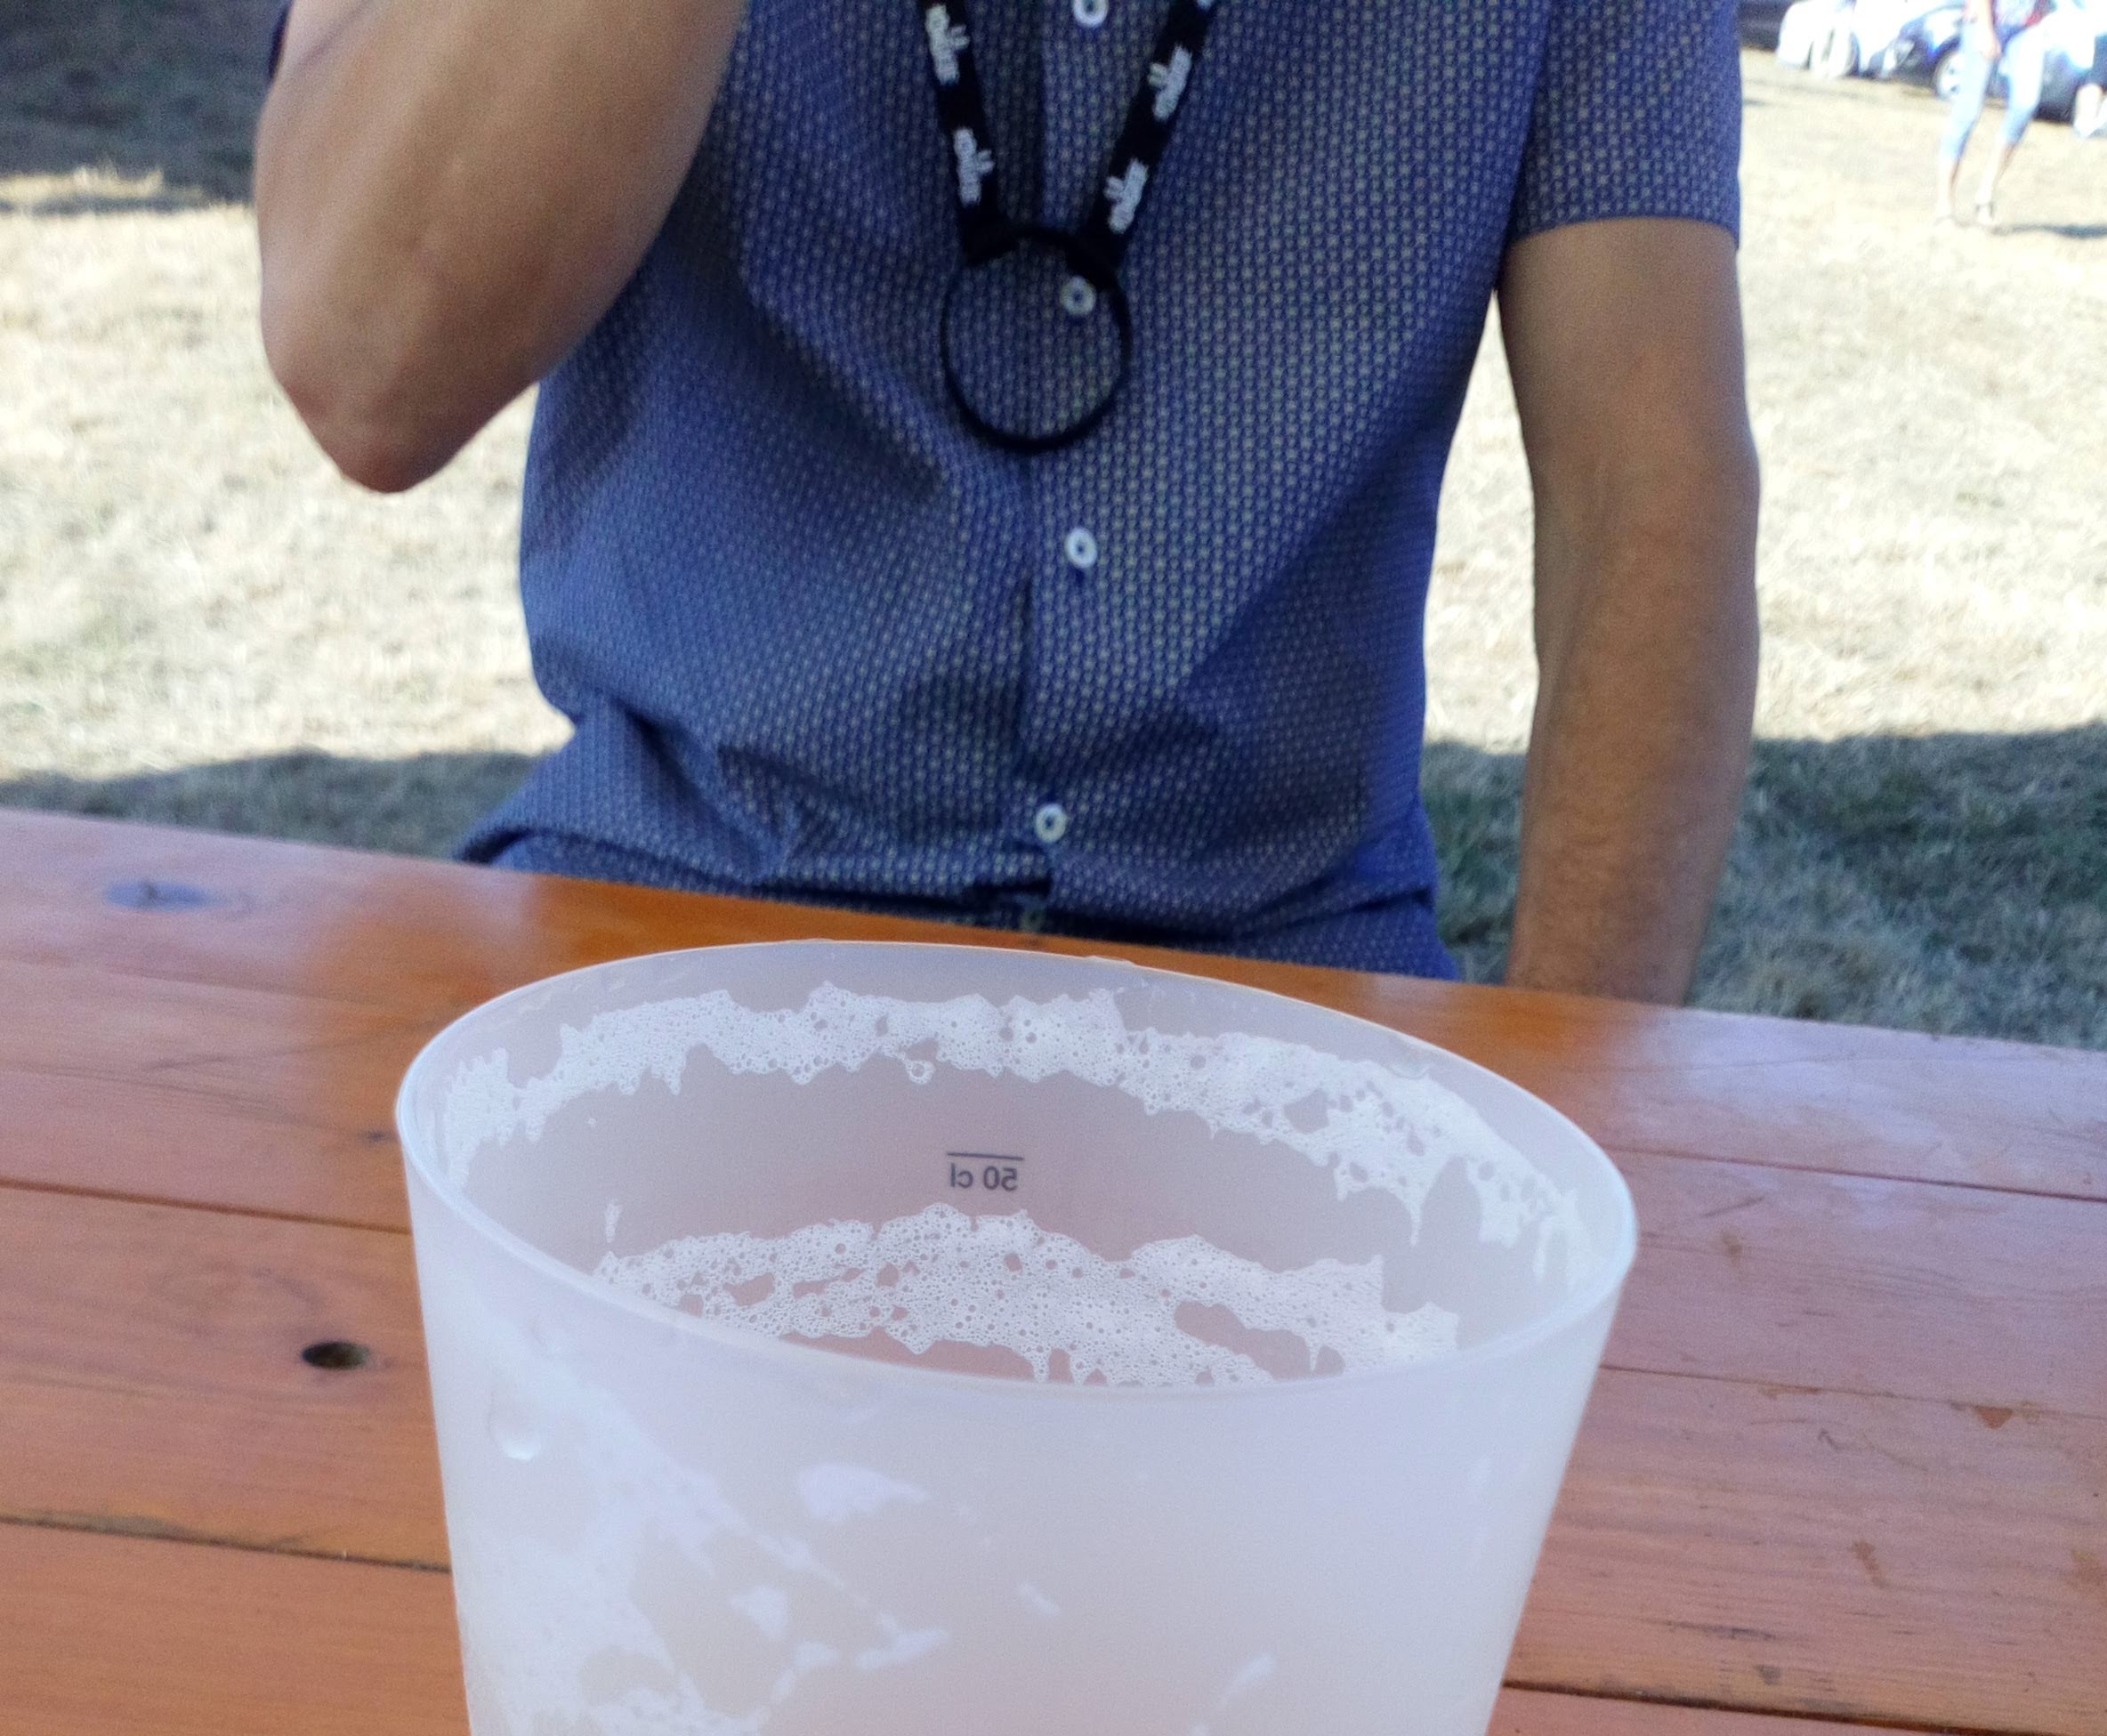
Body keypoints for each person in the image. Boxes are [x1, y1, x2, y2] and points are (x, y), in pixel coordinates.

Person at [255, 2, 1759, 1002]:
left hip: (1287, 983)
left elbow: (1649, 489)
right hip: (663, 915)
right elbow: (369, 367)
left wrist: (1564, 1147)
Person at [1938, 0, 2053, 224]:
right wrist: (1985, 29)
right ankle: (1944, 206)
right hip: (1986, 18)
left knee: (2025, 104)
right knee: (1967, 111)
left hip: (2028, 25)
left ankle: (1985, 194)